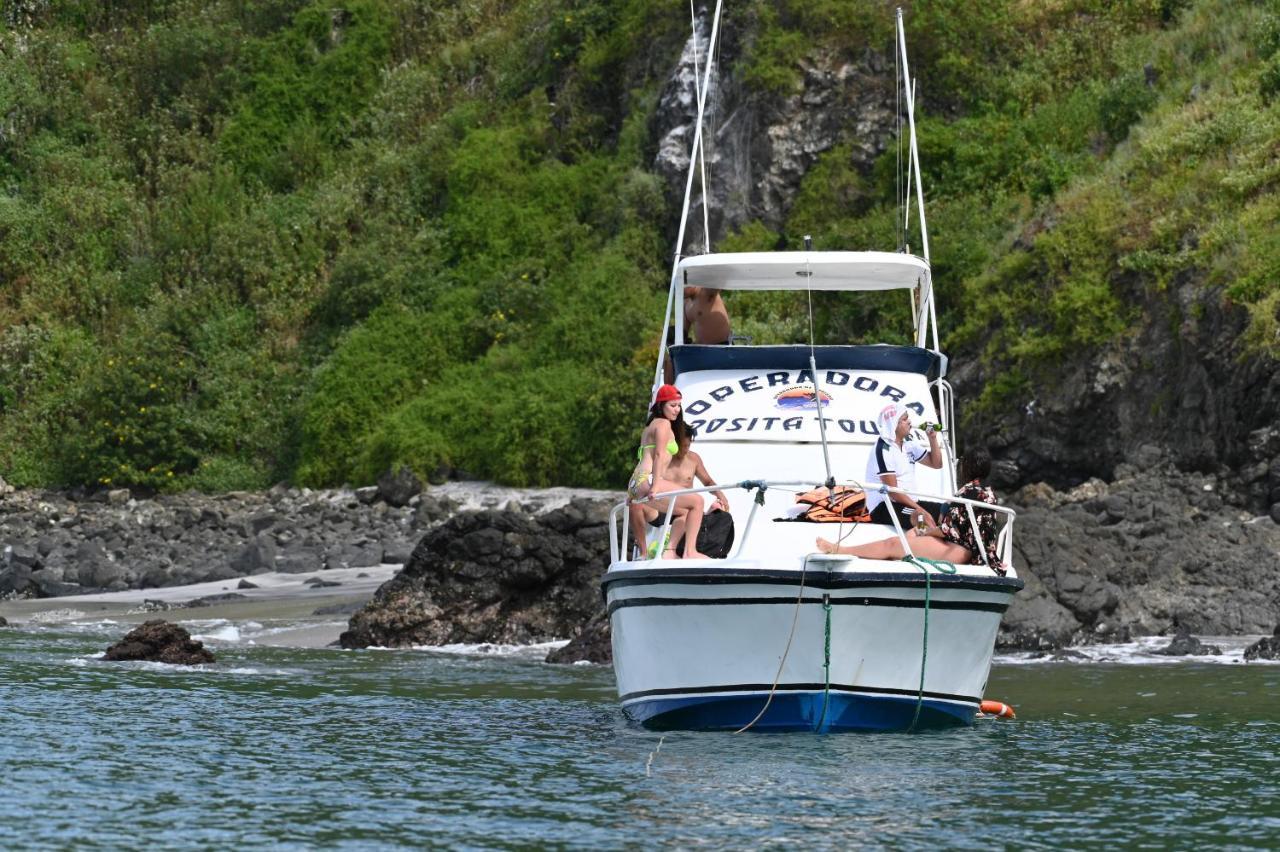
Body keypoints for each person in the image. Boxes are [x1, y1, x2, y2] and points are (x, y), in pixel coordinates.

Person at [816, 447, 1005, 573]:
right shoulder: (988, 493)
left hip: (958, 551)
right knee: (917, 528)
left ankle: (840, 549)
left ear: (967, 467)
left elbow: (949, 530)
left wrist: (923, 532)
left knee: (893, 544)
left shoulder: (966, 493)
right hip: (975, 552)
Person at [627, 384, 709, 559]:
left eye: (679, 405)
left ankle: (662, 552)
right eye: (672, 405)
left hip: (636, 482)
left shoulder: (649, 427)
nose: (677, 410)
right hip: (648, 480)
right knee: (698, 502)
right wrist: (655, 485)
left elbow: (643, 459)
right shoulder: (663, 424)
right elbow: (658, 454)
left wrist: (631, 492)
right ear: (660, 405)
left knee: (684, 510)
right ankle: (690, 552)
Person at [631, 427, 729, 553]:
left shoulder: (693, 459)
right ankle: (642, 550)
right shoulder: (662, 457)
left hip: (683, 508)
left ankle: (672, 550)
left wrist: (721, 496)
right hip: (661, 506)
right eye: (683, 446)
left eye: (688, 445)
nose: (685, 449)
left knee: (710, 507)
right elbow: (642, 477)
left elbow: (708, 482)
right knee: (635, 506)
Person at [862, 402, 943, 530]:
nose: (909, 421)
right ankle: (928, 539)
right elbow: (893, 492)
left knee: (947, 510)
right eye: (905, 419)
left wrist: (932, 438)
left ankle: (939, 536)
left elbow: (936, 464)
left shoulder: (908, 443)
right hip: (884, 506)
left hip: (908, 503)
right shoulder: (883, 449)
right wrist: (920, 509)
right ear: (893, 424)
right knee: (921, 517)